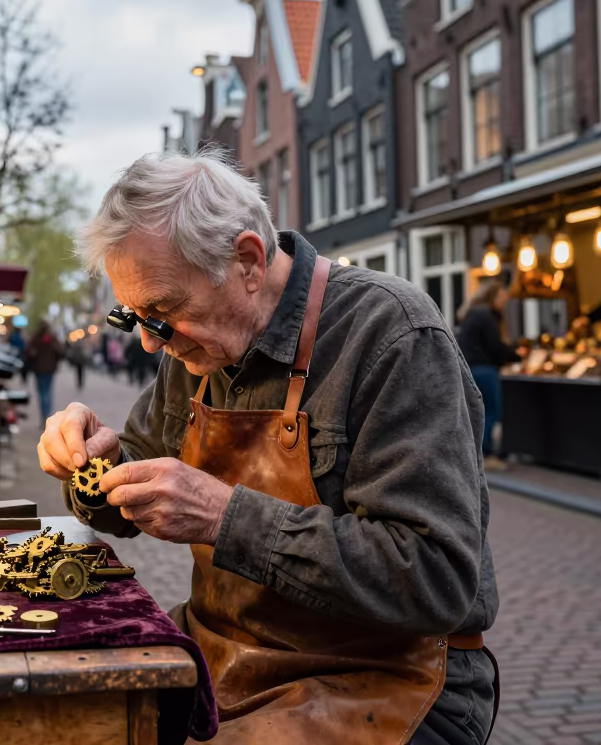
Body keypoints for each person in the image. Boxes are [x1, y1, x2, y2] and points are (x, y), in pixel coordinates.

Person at [38, 151, 498, 745]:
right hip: (225, 654)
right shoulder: (195, 346)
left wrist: (227, 518)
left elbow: (435, 578)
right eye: (136, 319)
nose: (152, 344)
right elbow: (130, 495)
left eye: (163, 312)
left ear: (249, 261)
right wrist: (94, 467)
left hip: (385, 676)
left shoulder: (393, 334)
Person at [456, 281, 522, 470]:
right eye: (502, 297)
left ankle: (479, 454)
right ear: (493, 296)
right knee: (491, 411)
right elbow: (495, 346)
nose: (504, 300)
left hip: (471, 368)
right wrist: (516, 355)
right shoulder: (485, 316)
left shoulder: (472, 313)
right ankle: (487, 454)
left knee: (478, 412)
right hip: (484, 369)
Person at [26, 319, 63, 421]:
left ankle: (44, 415)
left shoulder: (36, 337)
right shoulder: (52, 337)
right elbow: (60, 352)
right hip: (49, 369)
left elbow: (28, 351)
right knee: (47, 392)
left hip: (39, 369)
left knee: (42, 392)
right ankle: (47, 415)